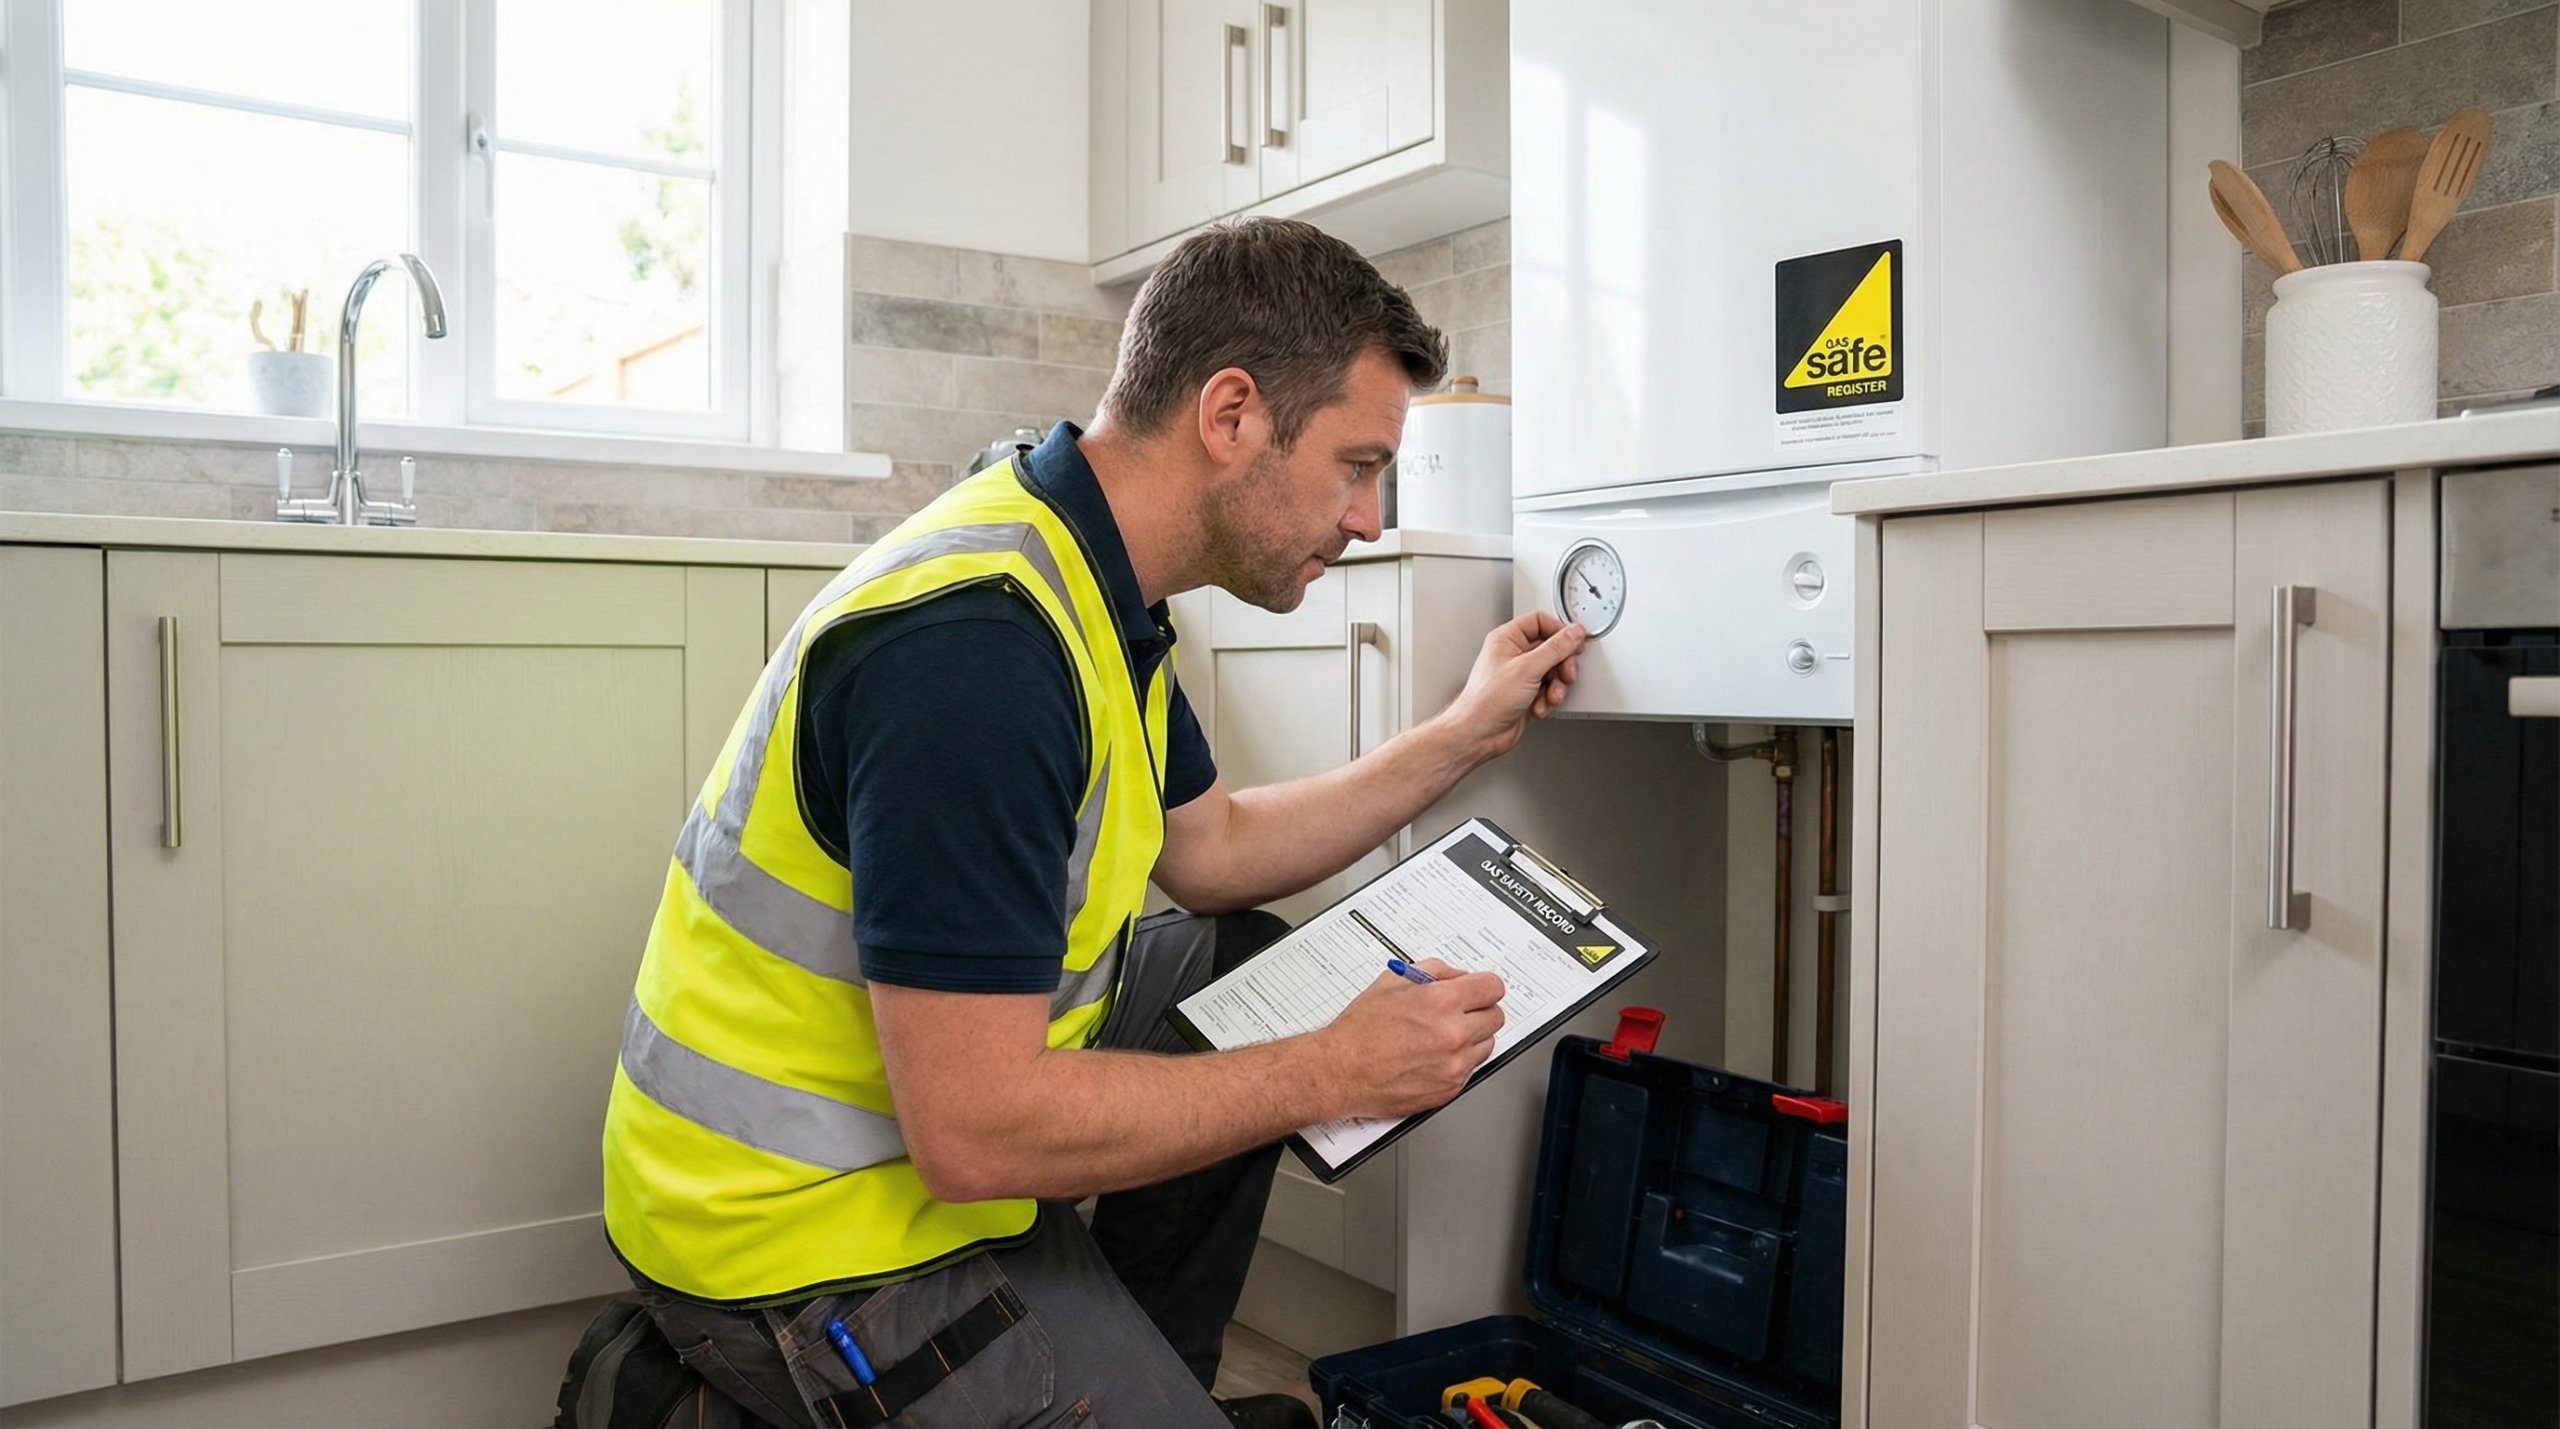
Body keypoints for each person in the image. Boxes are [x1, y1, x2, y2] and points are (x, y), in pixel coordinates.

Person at [591, 216, 1587, 1429]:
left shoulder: (1086, 569)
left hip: (912, 1137)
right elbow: (972, 1131)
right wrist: (1329, 1067)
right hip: (793, 1235)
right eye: (1356, 463)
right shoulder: (979, 652)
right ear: (1230, 416)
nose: (1370, 517)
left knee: (1244, 957)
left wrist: (1464, 730)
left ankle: (1136, 1371)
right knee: (1272, 1048)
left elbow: (1213, 850)